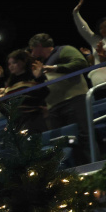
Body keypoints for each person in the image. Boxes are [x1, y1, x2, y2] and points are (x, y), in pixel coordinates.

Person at [27, 33, 90, 166]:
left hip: (74, 99)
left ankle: (92, 166)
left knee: (82, 136)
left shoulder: (64, 50)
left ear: (39, 46)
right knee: (61, 143)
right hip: (53, 107)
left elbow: (81, 63)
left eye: (32, 49)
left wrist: (54, 68)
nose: (32, 53)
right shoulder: (39, 64)